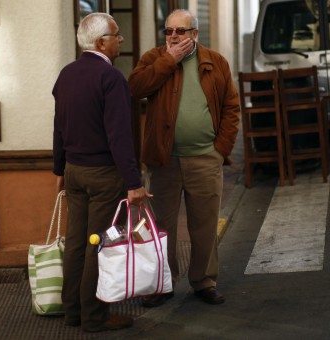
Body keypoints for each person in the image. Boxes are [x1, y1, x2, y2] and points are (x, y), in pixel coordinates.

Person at [128, 9, 240, 307]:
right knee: (163, 225)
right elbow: (135, 88)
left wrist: (221, 150)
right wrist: (169, 61)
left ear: (195, 34)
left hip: (205, 157)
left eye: (180, 31)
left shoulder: (214, 61)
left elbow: (231, 106)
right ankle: (163, 284)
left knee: (203, 224)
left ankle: (204, 281)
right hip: (164, 160)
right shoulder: (153, 58)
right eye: (169, 31)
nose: (173, 36)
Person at [52, 12, 150, 333]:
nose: (120, 40)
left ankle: (73, 312)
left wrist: (59, 169)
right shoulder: (111, 79)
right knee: (100, 245)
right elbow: (119, 136)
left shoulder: (66, 74)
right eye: (116, 35)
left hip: (75, 172)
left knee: (78, 243)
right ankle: (95, 316)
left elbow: (59, 128)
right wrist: (134, 182)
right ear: (100, 42)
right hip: (104, 176)